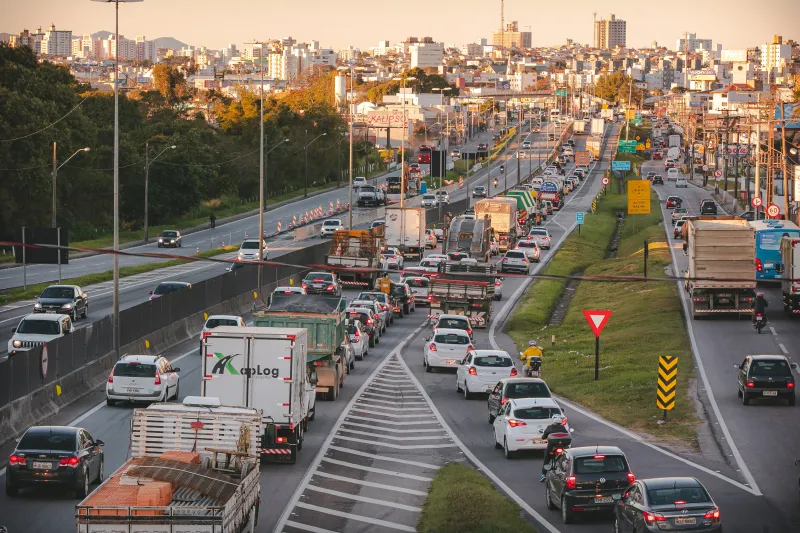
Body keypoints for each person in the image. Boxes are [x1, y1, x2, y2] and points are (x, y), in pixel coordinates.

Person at [540, 415, 570, 481]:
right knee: (567, 457)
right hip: (563, 446)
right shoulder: (563, 428)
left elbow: (543, 437)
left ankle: (543, 475)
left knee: (547, 458)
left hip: (552, 447)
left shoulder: (549, 427)